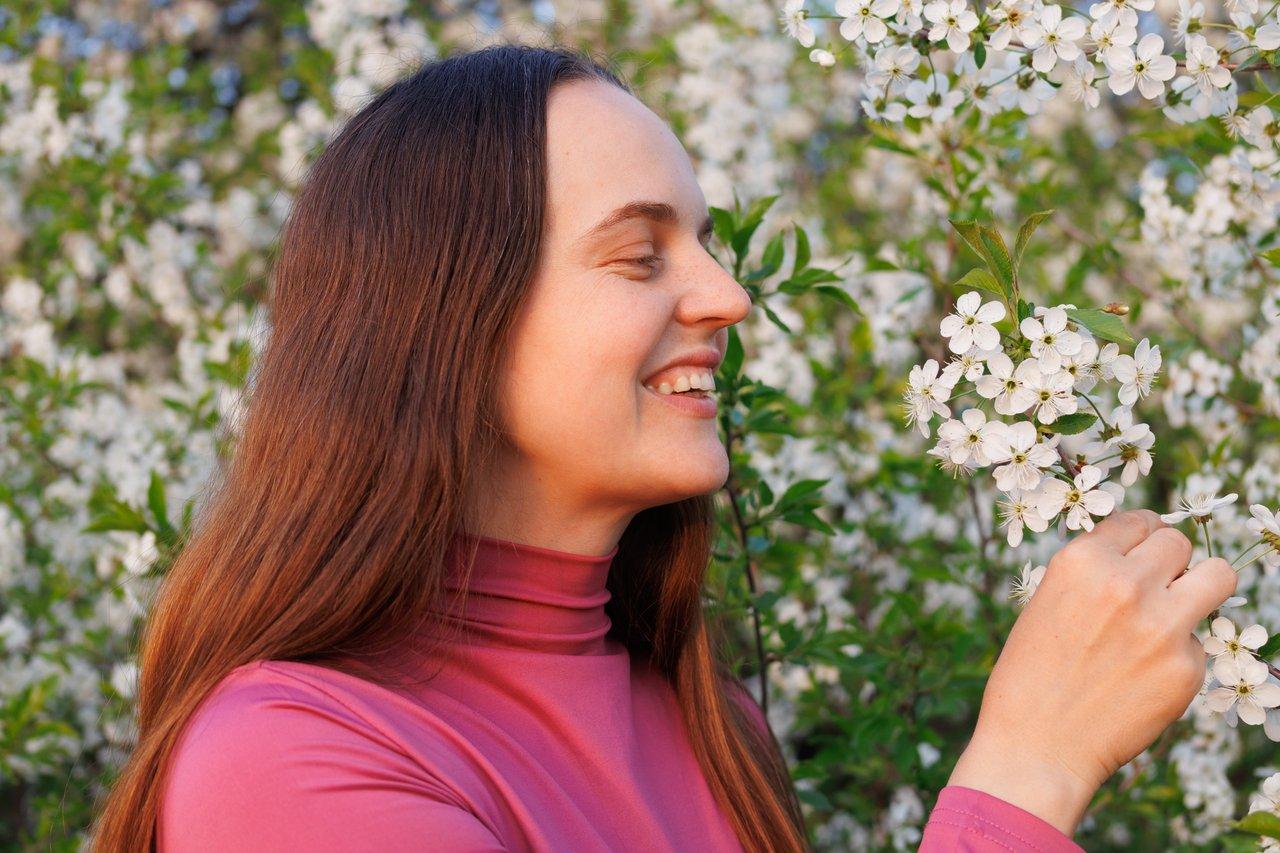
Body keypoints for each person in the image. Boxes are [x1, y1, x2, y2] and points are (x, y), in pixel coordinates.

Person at [88, 44, 1237, 852]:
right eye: (640, 256)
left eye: (705, 242)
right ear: (448, 321)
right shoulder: (289, 760)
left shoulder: (705, 718)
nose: (729, 296)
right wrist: (1023, 774)